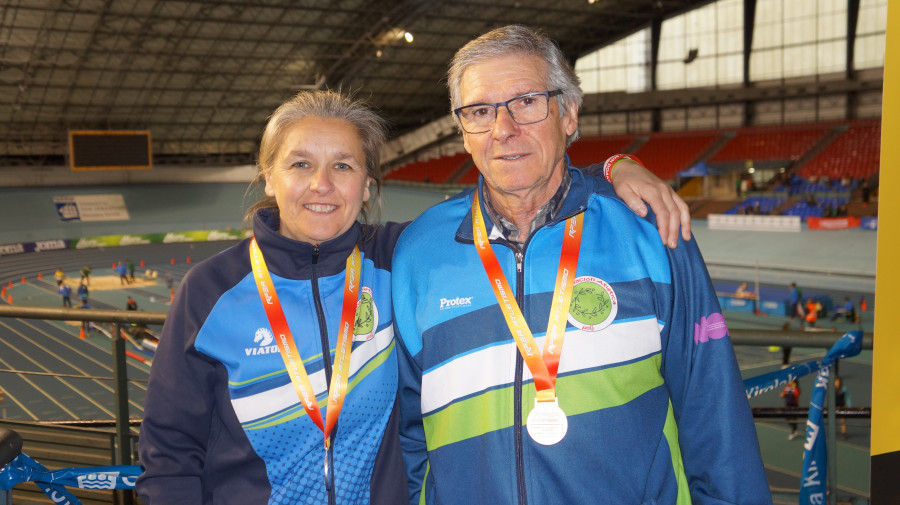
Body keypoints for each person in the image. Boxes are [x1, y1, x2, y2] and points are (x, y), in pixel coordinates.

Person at [137, 89, 693, 505]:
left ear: (368, 185)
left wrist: (613, 170)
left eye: (344, 166)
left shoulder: (401, 257)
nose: (322, 185)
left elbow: (518, 188)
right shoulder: (210, 291)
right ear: (269, 175)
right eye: (300, 163)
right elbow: (169, 453)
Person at [392, 25, 770, 505]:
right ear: (463, 131)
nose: (503, 130)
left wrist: (612, 167)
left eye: (527, 101)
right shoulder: (418, 251)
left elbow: (715, 418)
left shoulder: (651, 232)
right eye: (480, 111)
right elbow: (403, 438)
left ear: (569, 113)